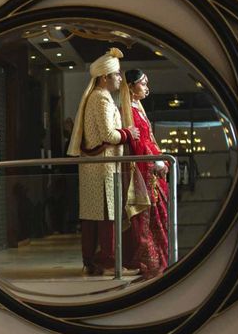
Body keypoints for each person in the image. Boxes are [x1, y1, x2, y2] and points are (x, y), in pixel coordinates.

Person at [67, 48, 139, 276]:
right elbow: (109, 135)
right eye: (116, 74)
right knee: (106, 216)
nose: (120, 78)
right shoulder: (101, 99)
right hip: (103, 169)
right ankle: (105, 262)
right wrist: (128, 133)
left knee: (94, 216)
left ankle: (95, 262)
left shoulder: (99, 97)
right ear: (104, 77)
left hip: (98, 167)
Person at [120, 69, 170, 279]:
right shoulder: (127, 110)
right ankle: (150, 262)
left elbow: (148, 137)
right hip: (141, 169)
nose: (146, 87)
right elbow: (137, 142)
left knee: (159, 215)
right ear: (130, 86)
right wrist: (154, 159)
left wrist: (160, 158)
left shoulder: (138, 108)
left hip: (150, 165)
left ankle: (160, 259)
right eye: (142, 83)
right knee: (145, 218)